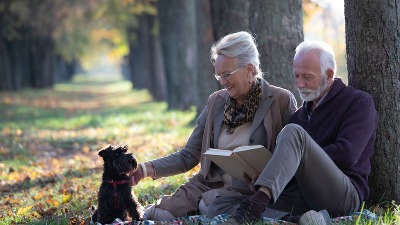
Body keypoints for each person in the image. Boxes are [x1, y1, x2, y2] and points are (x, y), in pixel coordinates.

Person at [130, 31, 297, 220]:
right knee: (155, 214)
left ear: (249, 70)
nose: (222, 82)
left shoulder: (280, 100)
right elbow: (188, 155)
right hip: (206, 185)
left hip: (250, 193)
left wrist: (266, 181)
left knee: (211, 207)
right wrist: (144, 170)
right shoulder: (216, 102)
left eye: (227, 74)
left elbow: (291, 156)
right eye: (219, 76)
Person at [219, 40, 378, 224]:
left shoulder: (357, 102)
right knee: (223, 204)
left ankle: (258, 204)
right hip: (303, 195)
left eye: (307, 77)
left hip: (342, 194)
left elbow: (347, 155)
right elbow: (293, 167)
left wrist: (300, 159)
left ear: (329, 74)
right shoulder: (300, 115)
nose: (299, 84)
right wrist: (265, 176)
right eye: (296, 76)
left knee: (293, 133)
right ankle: (296, 219)